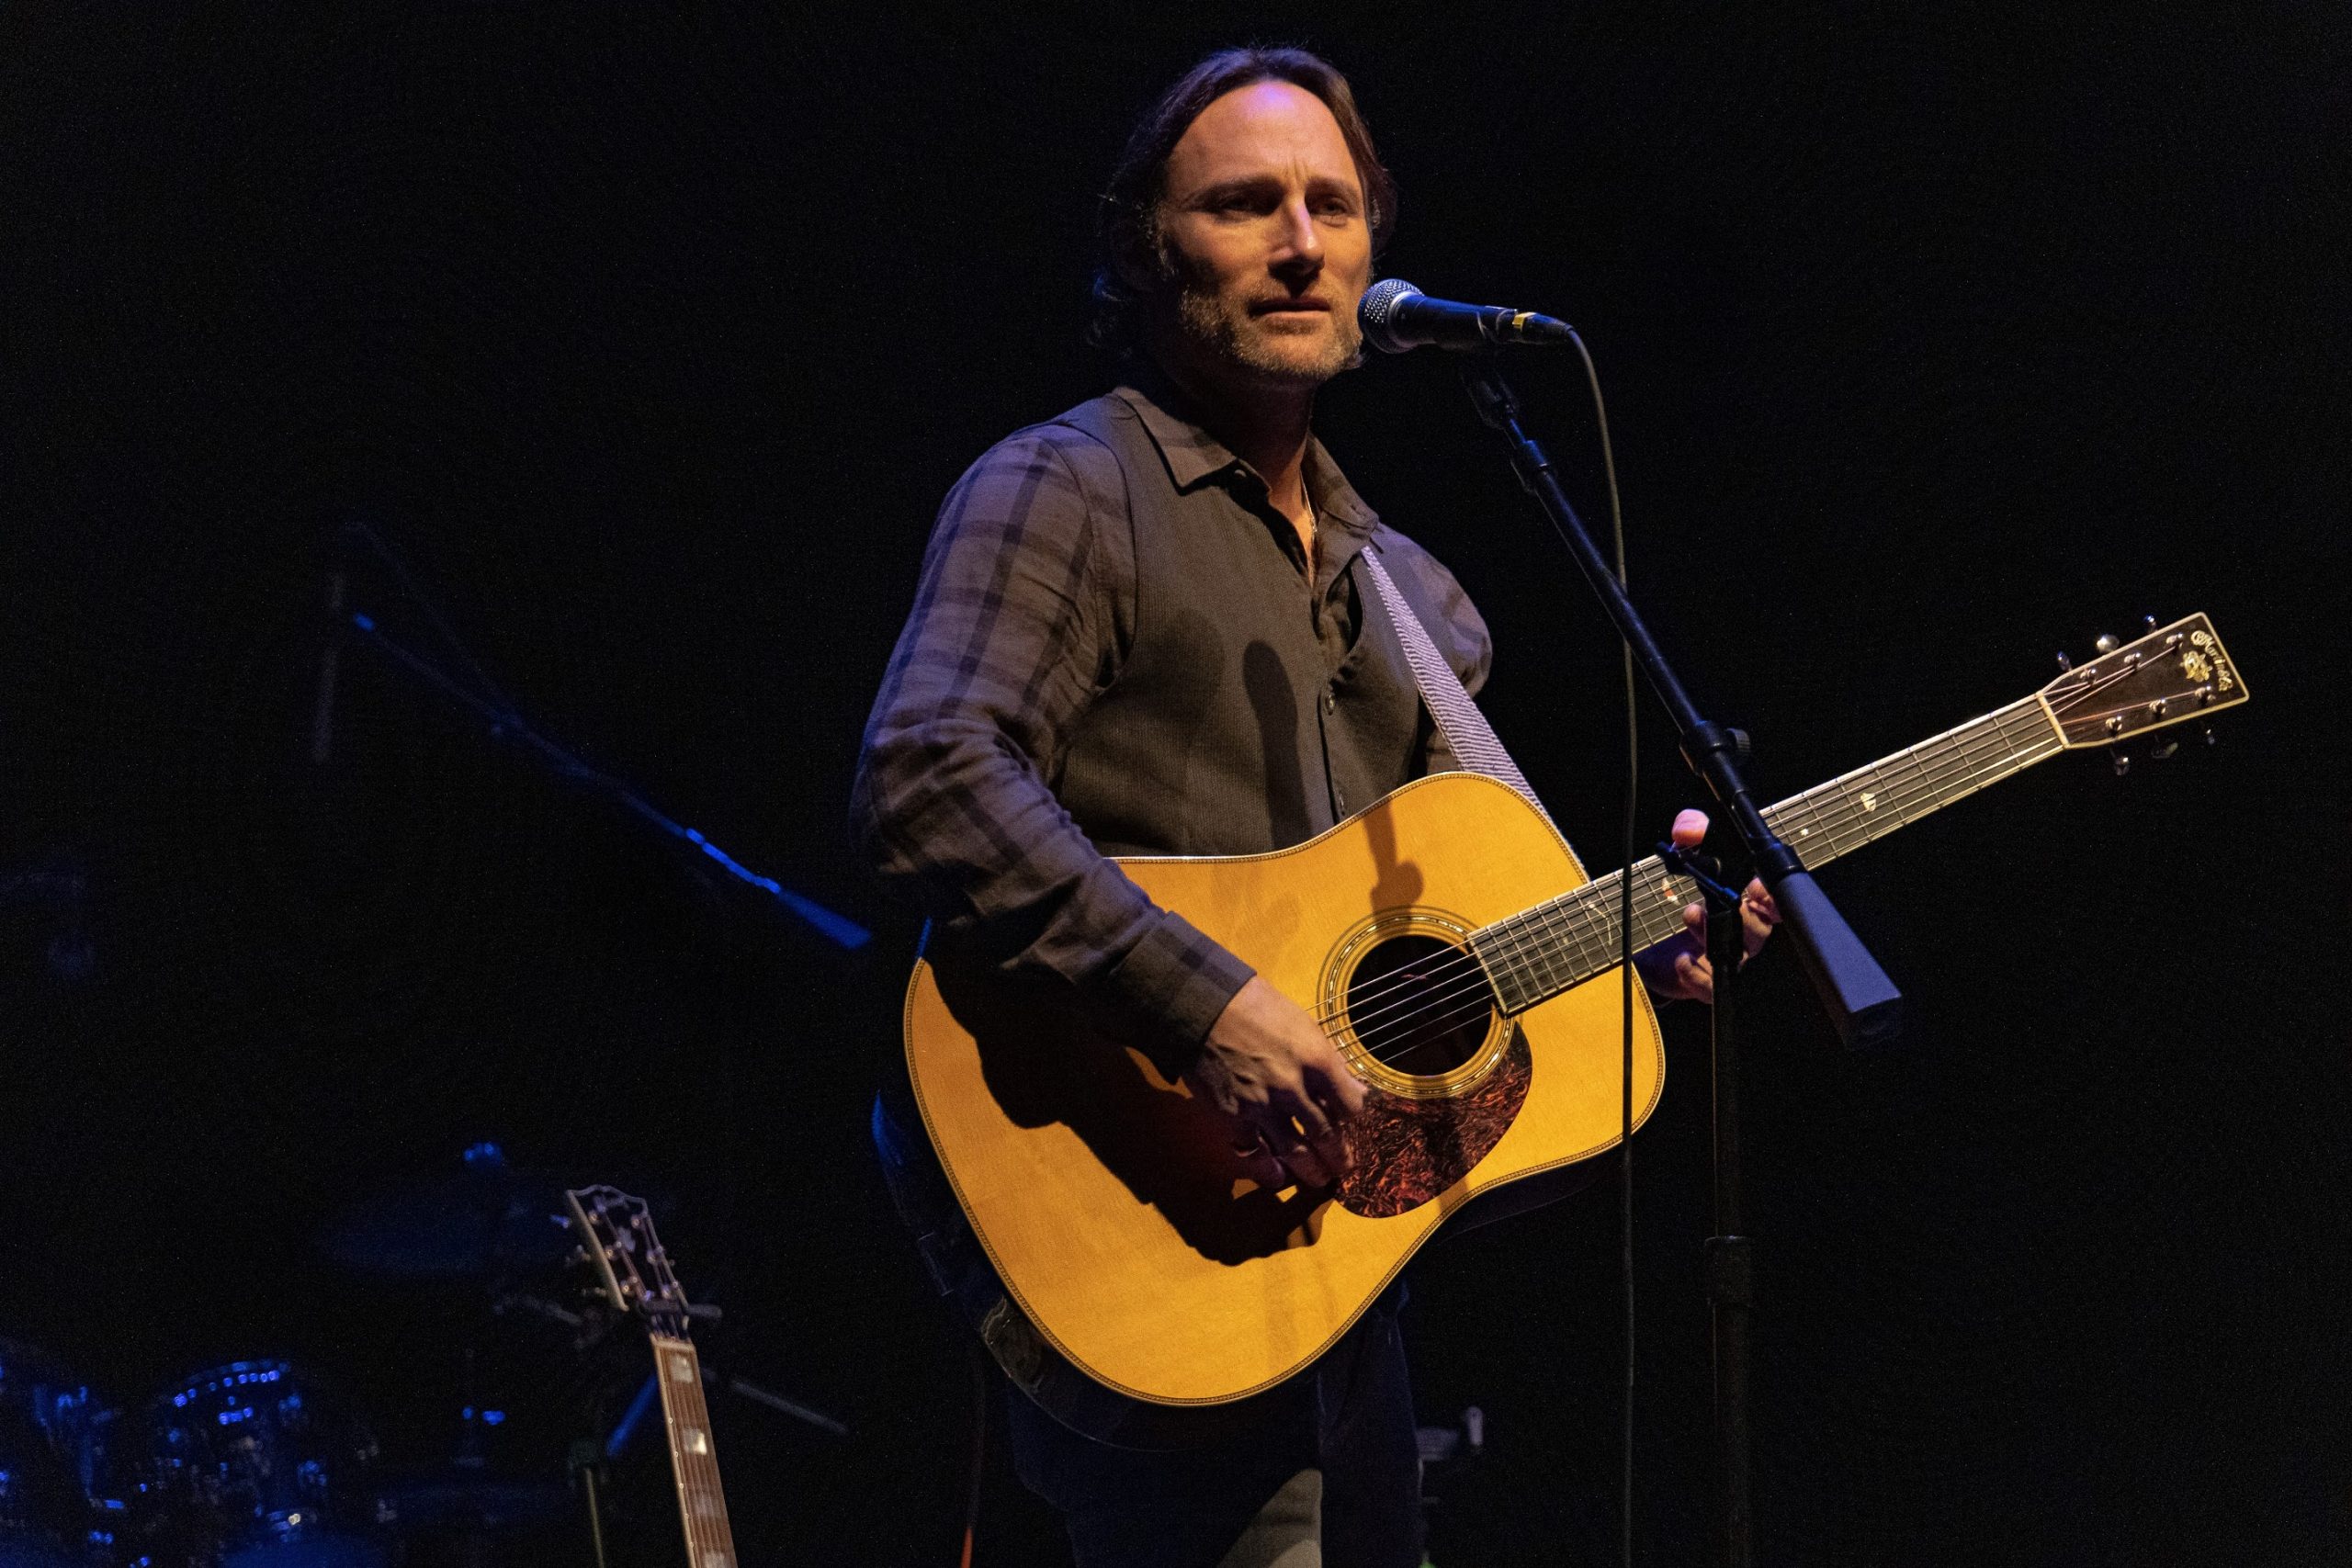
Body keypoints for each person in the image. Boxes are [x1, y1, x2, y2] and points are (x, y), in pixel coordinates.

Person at [851, 46, 1777, 1568]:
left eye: (1332, 208)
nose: (1299, 244)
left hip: (1336, 1287)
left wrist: (1639, 941)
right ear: (1145, 249)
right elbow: (925, 776)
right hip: (1135, 1234)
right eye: (1243, 205)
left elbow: (1429, 952)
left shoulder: (1419, 598)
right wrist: (1201, 1007)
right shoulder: (1066, 489)